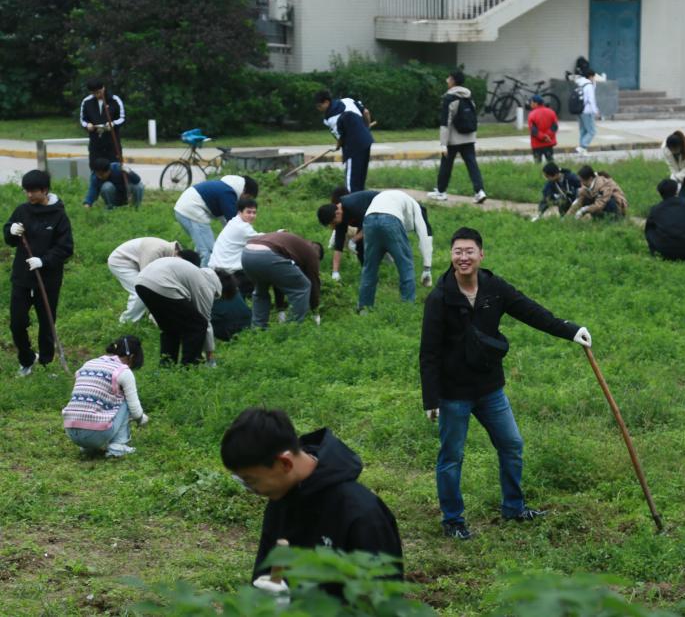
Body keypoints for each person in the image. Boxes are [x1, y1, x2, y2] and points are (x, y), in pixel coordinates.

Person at [419, 227, 592, 540]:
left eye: (469, 251)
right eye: (457, 251)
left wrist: (570, 330)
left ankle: (513, 507)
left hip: (489, 388)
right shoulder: (440, 298)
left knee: (512, 445)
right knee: (451, 457)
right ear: (451, 255)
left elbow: (531, 311)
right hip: (453, 392)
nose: (463, 257)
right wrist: (431, 399)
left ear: (481, 255)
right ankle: (453, 521)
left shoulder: (494, 288)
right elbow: (428, 353)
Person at [220, 408, 403, 600]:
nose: (251, 490)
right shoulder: (281, 499)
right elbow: (266, 573)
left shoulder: (362, 514)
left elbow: (382, 602)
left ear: (285, 464)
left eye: (251, 481)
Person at [4, 170, 74, 376]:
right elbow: (10, 238)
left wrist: (44, 261)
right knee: (17, 322)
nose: (29, 195)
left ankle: (46, 363)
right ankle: (26, 359)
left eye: (33, 191)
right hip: (22, 278)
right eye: (26, 191)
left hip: (48, 279)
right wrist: (10, 230)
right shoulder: (22, 210)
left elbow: (66, 247)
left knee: (46, 322)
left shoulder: (59, 216)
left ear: (44, 190)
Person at [134, 256, 232, 366]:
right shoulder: (206, 286)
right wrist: (210, 355)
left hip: (142, 282)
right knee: (197, 325)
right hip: (161, 283)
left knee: (170, 328)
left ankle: (167, 365)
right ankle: (189, 366)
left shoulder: (197, 274)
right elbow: (205, 321)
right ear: (221, 287)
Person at [61, 336, 147, 458]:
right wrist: (142, 419)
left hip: (71, 430)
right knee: (125, 400)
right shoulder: (123, 371)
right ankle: (118, 446)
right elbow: (136, 412)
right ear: (132, 357)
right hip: (96, 433)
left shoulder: (89, 363)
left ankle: (88, 447)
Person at [358, 190, 434, 311]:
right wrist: (427, 268)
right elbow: (425, 237)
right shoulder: (416, 208)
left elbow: (382, 243)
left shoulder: (398, 198)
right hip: (391, 219)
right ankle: (407, 308)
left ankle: (364, 308)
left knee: (369, 268)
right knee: (406, 266)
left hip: (369, 219)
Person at [173, 175, 259, 267]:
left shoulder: (225, 187)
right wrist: (248, 235)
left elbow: (227, 222)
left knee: (201, 248)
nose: (245, 201)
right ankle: (203, 275)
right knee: (208, 251)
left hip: (185, 209)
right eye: (247, 197)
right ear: (244, 190)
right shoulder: (228, 193)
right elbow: (235, 221)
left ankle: (192, 270)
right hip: (191, 211)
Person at [241, 231, 323, 327]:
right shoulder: (311, 253)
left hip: (247, 253)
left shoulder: (294, 246)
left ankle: (258, 328)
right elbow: (314, 282)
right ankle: (291, 327)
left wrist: (280, 309)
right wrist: (315, 311)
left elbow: (278, 280)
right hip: (267, 254)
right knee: (303, 287)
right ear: (318, 256)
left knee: (261, 293)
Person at [428, 70, 486, 203]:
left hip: (453, 139)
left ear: (453, 81)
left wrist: (443, 144)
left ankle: (441, 192)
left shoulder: (449, 98)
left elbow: (445, 122)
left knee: (446, 165)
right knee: (472, 164)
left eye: (448, 78)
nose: (447, 80)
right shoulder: (468, 96)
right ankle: (480, 191)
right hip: (468, 137)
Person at [107, 237, 186, 324]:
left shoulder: (174, 252)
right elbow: (146, 281)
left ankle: (150, 314)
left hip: (134, 260)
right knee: (140, 291)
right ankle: (126, 322)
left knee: (150, 289)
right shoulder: (155, 251)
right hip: (120, 261)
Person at [315, 90, 374, 193]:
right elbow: (366, 112)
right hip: (366, 141)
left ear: (326, 102)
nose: (319, 109)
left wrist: (338, 146)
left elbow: (340, 137)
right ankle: (360, 198)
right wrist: (367, 128)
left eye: (319, 106)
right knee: (360, 176)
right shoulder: (347, 101)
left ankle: (351, 200)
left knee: (351, 181)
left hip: (353, 147)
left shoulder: (331, 117)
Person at [316, 189, 380, 280]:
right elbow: (338, 246)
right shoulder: (339, 216)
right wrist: (335, 272)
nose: (333, 225)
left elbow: (370, 225)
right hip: (369, 218)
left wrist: (353, 240)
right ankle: (368, 273)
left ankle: (371, 272)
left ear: (337, 214)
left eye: (333, 222)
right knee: (359, 245)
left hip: (383, 207)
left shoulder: (352, 207)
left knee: (363, 242)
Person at [210, 198, 263, 296]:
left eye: (254, 212)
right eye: (248, 212)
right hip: (229, 272)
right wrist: (278, 234)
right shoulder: (242, 228)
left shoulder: (234, 222)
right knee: (261, 278)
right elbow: (261, 240)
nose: (252, 215)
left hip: (217, 268)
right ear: (240, 212)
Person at [645, 179, 685, 261]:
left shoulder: (655, 209)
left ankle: (655, 251)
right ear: (676, 191)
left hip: (663, 248)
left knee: (650, 228)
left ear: (659, 193)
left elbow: (648, 228)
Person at [79, 77, 125, 165]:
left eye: (99, 92)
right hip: (95, 143)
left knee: (114, 167)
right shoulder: (86, 101)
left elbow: (122, 118)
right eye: (94, 93)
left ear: (103, 88)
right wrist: (87, 125)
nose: (97, 95)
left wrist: (113, 124)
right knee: (95, 167)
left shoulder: (115, 100)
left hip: (112, 142)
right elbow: (83, 119)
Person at [527, 94, 559, 164]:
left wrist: (543, 137)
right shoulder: (551, 112)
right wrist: (548, 136)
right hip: (549, 142)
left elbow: (533, 130)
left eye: (531, 102)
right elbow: (555, 126)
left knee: (537, 163)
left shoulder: (532, 114)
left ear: (535, 103)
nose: (530, 104)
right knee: (551, 162)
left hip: (537, 144)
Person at [574, 68, 598, 155]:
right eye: (593, 77)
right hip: (587, 111)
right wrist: (595, 110)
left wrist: (594, 83)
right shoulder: (588, 85)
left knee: (583, 130)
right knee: (592, 131)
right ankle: (582, 146)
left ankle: (582, 150)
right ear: (590, 76)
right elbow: (591, 99)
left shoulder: (580, 83)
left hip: (579, 110)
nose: (594, 78)